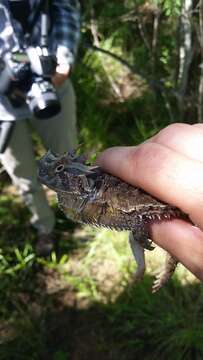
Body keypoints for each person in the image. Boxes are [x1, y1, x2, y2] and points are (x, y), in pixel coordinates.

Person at [0, 0, 81, 255]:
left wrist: (63, 61)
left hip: (51, 85)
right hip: (3, 106)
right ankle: (44, 227)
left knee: (68, 160)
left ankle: (80, 213)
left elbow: (65, 7)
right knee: (22, 173)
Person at [97, 123, 203, 282]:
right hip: (146, 204)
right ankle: (143, 270)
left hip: (157, 204)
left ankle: (152, 270)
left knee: (165, 233)